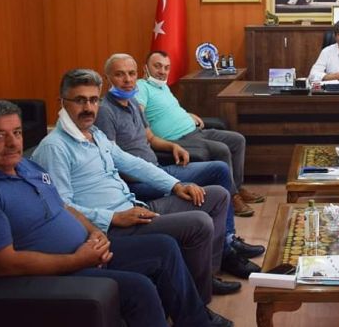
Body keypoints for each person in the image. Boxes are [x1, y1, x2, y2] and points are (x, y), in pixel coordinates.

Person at [0, 100, 232, 327]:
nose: (13, 143)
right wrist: (76, 259)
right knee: (140, 287)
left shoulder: (26, 166)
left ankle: (196, 321)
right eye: (0, 136)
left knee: (164, 247)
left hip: (88, 249)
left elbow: (64, 206)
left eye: (17, 133)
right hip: (57, 272)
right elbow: (4, 264)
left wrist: (95, 232)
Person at [30, 69, 240, 302]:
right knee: (199, 222)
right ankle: (200, 299)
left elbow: (134, 164)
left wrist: (176, 185)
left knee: (217, 195)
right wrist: (113, 217)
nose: (88, 108)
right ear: (61, 102)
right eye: (80, 100)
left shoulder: (95, 134)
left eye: (93, 100)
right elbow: (61, 206)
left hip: (136, 208)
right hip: (113, 227)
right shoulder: (54, 148)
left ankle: (207, 276)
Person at [97, 54, 264, 279]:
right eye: (119, 74)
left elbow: (150, 138)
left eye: (131, 74)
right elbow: (110, 160)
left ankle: (228, 240)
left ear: (137, 75)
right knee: (213, 184)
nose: (127, 79)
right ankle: (225, 253)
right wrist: (157, 177)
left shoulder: (133, 103)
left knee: (220, 169)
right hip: (139, 182)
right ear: (107, 78)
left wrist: (172, 146)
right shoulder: (105, 111)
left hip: (158, 169)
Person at [136, 50, 264, 215]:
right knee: (221, 149)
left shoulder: (163, 87)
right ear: (145, 68)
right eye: (157, 66)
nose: (162, 71)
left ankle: (237, 188)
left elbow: (168, 110)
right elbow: (138, 113)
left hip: (196, 131)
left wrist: (188, 114)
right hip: (178, 139)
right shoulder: (141, 86)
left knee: (237, 140)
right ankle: (232, 198)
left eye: (166, 68)